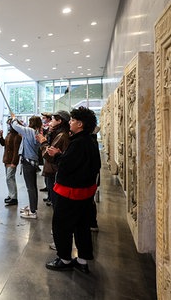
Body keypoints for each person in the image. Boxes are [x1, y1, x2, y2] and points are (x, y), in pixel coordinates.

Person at [45, 106, 101, 274]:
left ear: (80, 124)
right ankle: (82, 260)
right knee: (82, 227)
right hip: (85, 193)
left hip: (70, 193)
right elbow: (92, 165)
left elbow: (66, 165)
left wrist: (56, 155)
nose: (70, 122)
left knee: (61, 226)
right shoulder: (91, 141)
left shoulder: (78, 142)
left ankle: (64, 259)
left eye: (73, 120)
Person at [10, 115, 43, 218]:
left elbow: (14, 125)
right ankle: (32, 207)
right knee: (33, 186)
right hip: (33, 161)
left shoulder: (28, 131)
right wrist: (19, 122)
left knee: (30, 188)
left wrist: (14, 118)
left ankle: (33, 212)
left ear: (31, 122)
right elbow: (22, 126)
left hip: (28, 162)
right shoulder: (36, 132)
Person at [39, 110, 71, 207]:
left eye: (53, 119)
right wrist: (50, 133)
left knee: (55, 197)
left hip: (54, 169)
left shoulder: (61, 136)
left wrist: (43, 142)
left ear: (59, 121)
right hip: (53, 169)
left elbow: (49, 154)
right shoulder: (58, 133)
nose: (50, 121)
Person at [0, 117, 22, 206]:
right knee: (9, 179)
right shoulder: (9, 134)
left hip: (12, 161)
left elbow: (16, 151)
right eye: (8, 124)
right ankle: (10, 195)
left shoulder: (17, 136)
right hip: (7, 160)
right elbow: (3, 144)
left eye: (9, 124)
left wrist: (14, 163)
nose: (8, 125)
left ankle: (14, 198)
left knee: (9, 178)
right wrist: (0, 136)